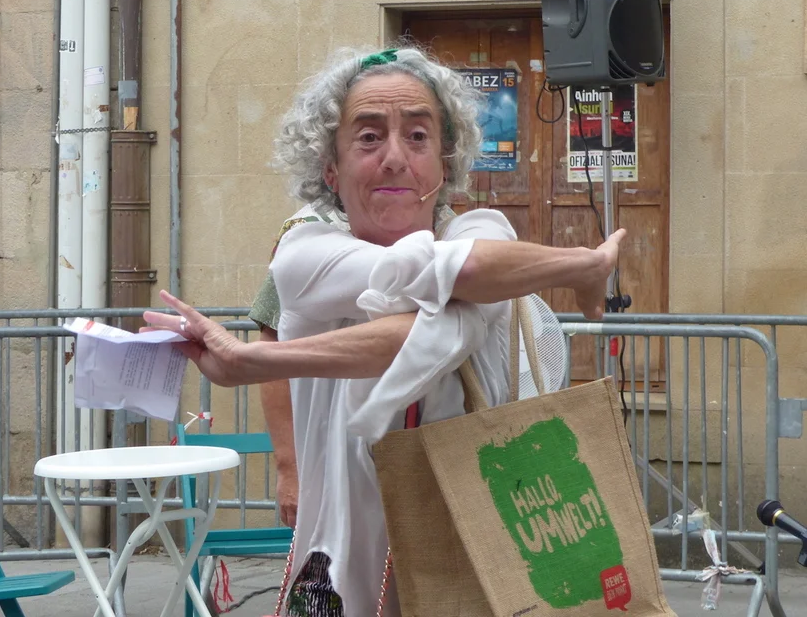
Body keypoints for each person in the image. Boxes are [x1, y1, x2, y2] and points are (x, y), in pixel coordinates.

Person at [145, 45, 625, 617]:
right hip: (342, 563)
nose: (395, 157)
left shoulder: (484, 231)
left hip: (478, 550)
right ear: (331, 168)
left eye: (418, 137)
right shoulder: (303, 253)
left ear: (445, 165)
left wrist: (254, 362)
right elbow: (450, 299)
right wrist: (576, 267)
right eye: (369, 137)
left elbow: (457, 283)